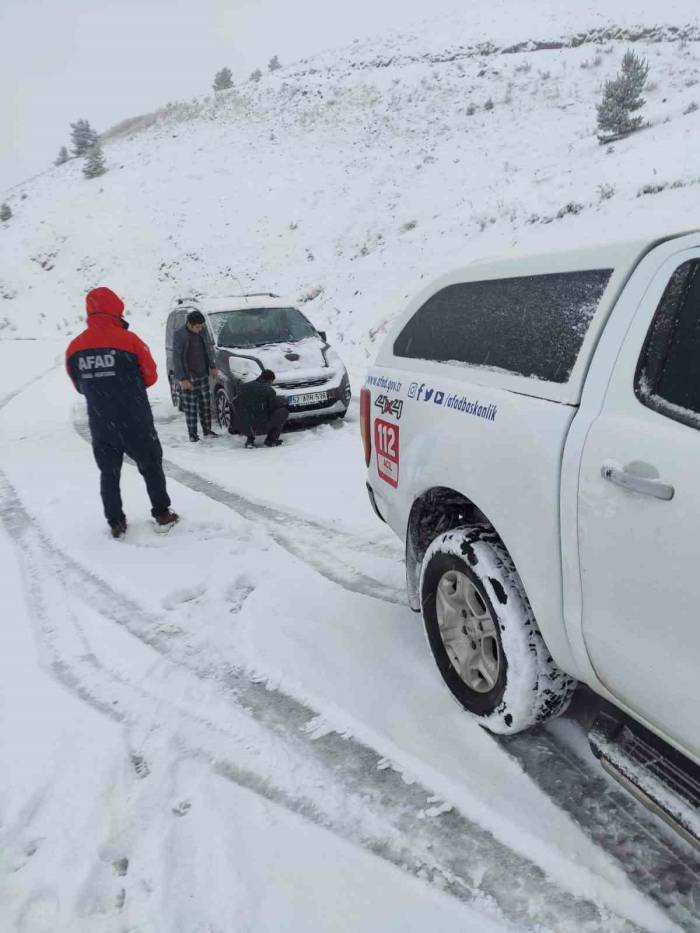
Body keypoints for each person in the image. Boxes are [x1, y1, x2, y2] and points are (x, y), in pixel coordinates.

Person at [66, 286, 179, 538]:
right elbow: (150, 376)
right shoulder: (131, 341)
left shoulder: (75, 348)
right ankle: (162, 512)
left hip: (101, 422)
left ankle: (116, 521)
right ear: (116, 309)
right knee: (151, 466)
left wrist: (101, 387)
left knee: (108, 473)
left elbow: (79, 385)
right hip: (135, 419)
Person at [172, 310, 219, 442]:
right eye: (198, 327)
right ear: (189, 324)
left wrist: (212, 366)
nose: (200, 329)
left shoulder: (202, 331)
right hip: (189, 376)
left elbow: (208, 350)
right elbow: (177, 358)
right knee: (191, 407)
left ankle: (207, 430)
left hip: (202, 374)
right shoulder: (180, 335)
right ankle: (193, 435)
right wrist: (182, 378)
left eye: (201, 326)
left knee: (205, 404)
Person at [232, 369, 289, 448]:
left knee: (249, 414)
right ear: (270, 380)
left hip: (242, 425)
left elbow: (235, 402)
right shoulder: (269, 391)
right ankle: (271, 440)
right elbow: (271, 408)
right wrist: (282, 402)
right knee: (283, 411)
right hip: (260, 426)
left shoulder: (243, 387)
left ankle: (250, 440)